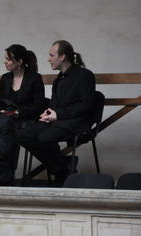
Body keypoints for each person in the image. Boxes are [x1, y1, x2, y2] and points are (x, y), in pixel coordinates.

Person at [17, 40, 96, 184]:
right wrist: (48, 113)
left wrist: (58, 115)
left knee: (44, 138)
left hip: (77, 121)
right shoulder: (59, 79)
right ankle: (63, 167)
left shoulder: (85, 75)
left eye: (51, 55)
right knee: (22, 135)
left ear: (62, 57)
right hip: (58, 121)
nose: (48, 59)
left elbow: (86, 105)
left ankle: (61, 171)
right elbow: (55, 104)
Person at [0, 44, 46, 126]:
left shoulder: (35, 78)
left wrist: (17, 113)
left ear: (19, 62)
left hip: (28, 121)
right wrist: (2, 111)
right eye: (5, 58)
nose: (5, 62)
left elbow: (39, 106)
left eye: (9, 59)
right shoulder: (5, 78)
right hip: (6, 120)